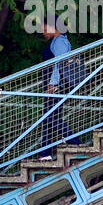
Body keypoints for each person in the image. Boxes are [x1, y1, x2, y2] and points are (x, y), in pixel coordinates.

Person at [38, 15, 82, 159]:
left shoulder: (59, 42)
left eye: (44, 28)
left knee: (51, 118)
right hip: (55, 86)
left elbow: (60, 64)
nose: (43, 31)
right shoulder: (58, 41)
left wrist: (53, 83)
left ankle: (76, 143)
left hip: (56, 86)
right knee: (49, 118)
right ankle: (45, 154)